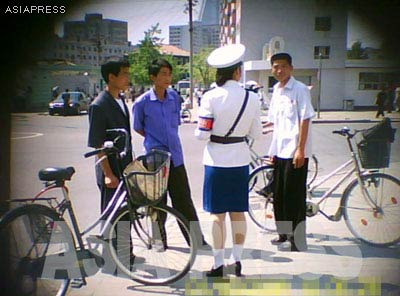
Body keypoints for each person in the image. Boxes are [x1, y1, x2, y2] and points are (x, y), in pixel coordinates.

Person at [195, 44, 262, 277]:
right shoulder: (252, 98)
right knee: (238, 213)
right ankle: (237, 261)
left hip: (215, 161)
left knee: (217, 215)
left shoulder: (210, 97)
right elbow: (256, 134)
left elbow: (202, 134)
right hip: (240, 161)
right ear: (238, 72)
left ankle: (217, 265)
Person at [132, 58, 208, 249]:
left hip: (176, 156)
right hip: (155, 159)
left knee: (183, 199)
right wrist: (154, 141)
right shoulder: (142, 103)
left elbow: (175, 124)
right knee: (157, 202)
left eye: (169, 74)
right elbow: (138, 127)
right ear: (153, 77)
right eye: (163, 74)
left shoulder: (174, 97)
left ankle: (196, 240)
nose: (167, 78)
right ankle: (159, 240)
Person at [263, 52, 315, 252]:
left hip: (295, 151)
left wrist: (300, 149)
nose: (279, 70)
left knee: (294, 196)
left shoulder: (300, 89)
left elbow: (305, 119)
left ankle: (298, 240)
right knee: (280, 195)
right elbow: (274, 121)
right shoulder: (276, 89)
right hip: (280, 150)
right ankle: (283, 234)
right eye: (275, 66)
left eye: (283, 66)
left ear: (291, 68)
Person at [87, 59, 134, 272]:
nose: (128, 77)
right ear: (111, 77)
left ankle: (125, 254)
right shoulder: (99, 105)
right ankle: (110, 260)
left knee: (125, 211)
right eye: (124, 74)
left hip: (123, 165)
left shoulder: (120, 100)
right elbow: (97, 143)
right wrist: (107, 173)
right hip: (110, 168)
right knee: (110, 214)